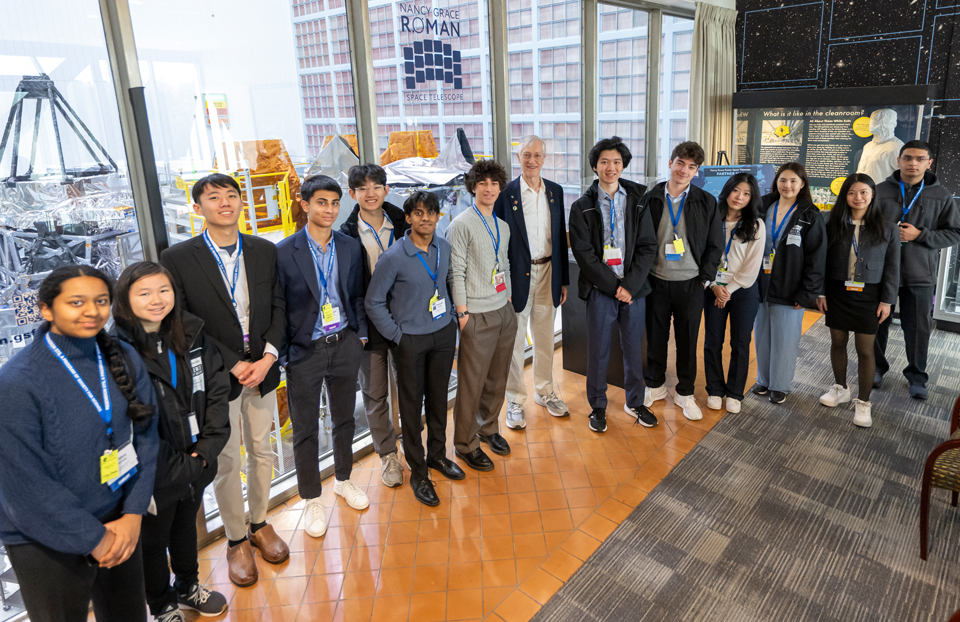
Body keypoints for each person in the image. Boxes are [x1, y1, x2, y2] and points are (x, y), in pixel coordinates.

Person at [0, 266, 159, 622]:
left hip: (118, 519)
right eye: (76, 302)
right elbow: (25, 487)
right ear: (46, 309)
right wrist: (94, 538)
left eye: (101, 301)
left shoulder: (123, 357)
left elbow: (148, 435)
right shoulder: (16, 383)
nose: (92, 311)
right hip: (43, 537)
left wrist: (133, 514)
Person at [161, 173, 288, 587]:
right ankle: (236, 538)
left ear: (241, 203)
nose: (225, 203)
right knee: (226, 460)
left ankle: (260, 523)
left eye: (232, 195)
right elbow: (183, 319)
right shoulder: (178, 257)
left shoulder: (264, 250)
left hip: (264, 370)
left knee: (263, 450)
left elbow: (279, 305)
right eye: (214, 197)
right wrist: (234, 363)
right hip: (219, 376)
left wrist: (269, 356)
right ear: (198, 208)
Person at [114, 262, 230, 622]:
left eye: (163, 290)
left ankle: (187, 586)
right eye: (144, 293)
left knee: (184, 528)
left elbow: (217, 392)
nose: (156, 300)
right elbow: (130, 423)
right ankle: (162, 604)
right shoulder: (117, 352)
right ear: (125, 299)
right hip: (153, 472)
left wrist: (206, 451)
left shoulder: (192, 334)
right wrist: (183, 465)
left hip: (196, 458)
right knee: (153, 542)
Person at [277, 174, 370, 538]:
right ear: (305, 205)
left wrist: (360, 335)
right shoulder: (285, 252)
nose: (329, 210)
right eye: (321, 203)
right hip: (306, 351)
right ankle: (312, 498)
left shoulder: (349, 247)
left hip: (345, 343)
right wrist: (286, 354)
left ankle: (344, 479)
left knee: (345, 419)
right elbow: (279, 306)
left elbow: (359, 294)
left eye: (334, 203)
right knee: (305, 430)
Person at [365, 191, 464, 506]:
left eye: (431, 212)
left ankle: (437, 455)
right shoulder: (393, 256)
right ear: (408, 218)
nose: (426, 218)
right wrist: (397, 335)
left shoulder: (443, 247)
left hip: (442, 334)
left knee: (439, 400)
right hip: (409, 341)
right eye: (418, 213)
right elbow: (373, 302)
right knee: (410, 408)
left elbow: (447, 285)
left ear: (438, 216)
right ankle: (419, 473)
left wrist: (450, 320)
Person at [569, 136, 658, 433]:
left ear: (623, 166)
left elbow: (647, 246)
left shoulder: (637, 201)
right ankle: (597, 405)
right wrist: (612, 287)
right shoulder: (581, 206)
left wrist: (629, 286)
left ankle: (635, 401)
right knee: (598, 350)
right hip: (600, 289)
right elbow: (584, 254)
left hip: (633, 290)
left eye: (617, 162)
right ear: (595, 166)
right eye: (605, 161)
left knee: (634, 348)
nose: (611, 167)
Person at [640, 141, 724, 421]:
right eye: (680, 163)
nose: (684, 171)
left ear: (697, 171)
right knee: (656, 337)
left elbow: (715, 244)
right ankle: (655, 385)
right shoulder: (650, 197)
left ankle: (685, 392)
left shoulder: (706, 201)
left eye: (691, 167)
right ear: (670, 163)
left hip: (691, 283)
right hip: (656, 281)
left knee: (688, 341)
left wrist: (705, 278)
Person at [494, 135, 571, 429]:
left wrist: (563, 279)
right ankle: (515, 399)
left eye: (537, 155)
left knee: (544, 336)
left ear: (544, 159)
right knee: (514, 341)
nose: (531, 161)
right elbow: (499, 244)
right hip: (517, 278)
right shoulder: (505, 194)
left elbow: (560, 239)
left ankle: (545, 391)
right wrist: (503, 286)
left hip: (549, 272)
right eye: (526, 155)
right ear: (519, 158)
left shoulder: (555, 192)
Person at [340, 163, 409, 487]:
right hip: (368, 326)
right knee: (375, 393)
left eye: (376, 186)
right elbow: (347, 287)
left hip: (407, 319)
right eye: (363, 188)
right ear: (353, 194)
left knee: (410, 387)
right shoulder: (346, 234)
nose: (370, 193)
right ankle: (387, 455)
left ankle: (413, 442)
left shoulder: (404, 220)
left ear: (386, 189)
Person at [874, 140, 960, 399]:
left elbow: (954, 233)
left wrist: (920, 235)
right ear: (898, 160)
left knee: (918, 329)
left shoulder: (941, 195)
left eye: (920, 159)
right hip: (881, 273)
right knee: (877, 324)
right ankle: (876, 368)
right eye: (908, 157)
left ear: (929, 163)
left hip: (919, 274)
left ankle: (917, 376)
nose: (913, 163)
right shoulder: (878, 191)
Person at [447, 159, 517, 471]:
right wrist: (462, 314)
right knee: (471, 384)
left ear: (500, 187)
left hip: (503, 310)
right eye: (483, 183)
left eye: (494, 183)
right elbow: (455, 272)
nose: (489, 189)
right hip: (475, 314)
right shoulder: (460, 224)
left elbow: (505, 265)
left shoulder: (502, 225)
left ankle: (488, 428)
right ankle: (464, 443)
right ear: (473, 186)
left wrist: (510, 299)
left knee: (497, 378)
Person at [816, 174, 899, 427]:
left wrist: (887, 300)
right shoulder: (830, 221)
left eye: (863, 192)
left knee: (865, 349)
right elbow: (820, 260)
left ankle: (864, 402)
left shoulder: (887, 227)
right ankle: (841, 388)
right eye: (852, 193)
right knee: (837, 342)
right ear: (845, 196)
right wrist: (820, 292)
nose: (858, 197)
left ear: (872, 194)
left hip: (870, 295)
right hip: (837, 291)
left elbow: (893, 268)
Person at [752, 162, 826, 404]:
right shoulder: (761, 206)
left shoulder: (810, 215)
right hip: (759, 283)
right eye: (783, 180)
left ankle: (780, 385)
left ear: (802, 184)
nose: (787, 185)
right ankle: (763, 380)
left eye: (794, 180)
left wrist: (807, 293)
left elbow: (817, 257)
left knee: (784, 339)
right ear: (776, 182)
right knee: (761, 335)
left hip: (790, 287)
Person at [703, 174, 766, 414]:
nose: (740, 197)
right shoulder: (712, 217)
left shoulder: (756, 224)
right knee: (713, 341)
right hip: (712, 288)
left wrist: (727, 290)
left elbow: (752, 266)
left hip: (742, 291)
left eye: (747, 193)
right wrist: (713, 286)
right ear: (727, 190)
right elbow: (702, 254)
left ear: (752, 198)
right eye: (736, 191)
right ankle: (715, 389)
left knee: (740, 342)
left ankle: (735, 392)